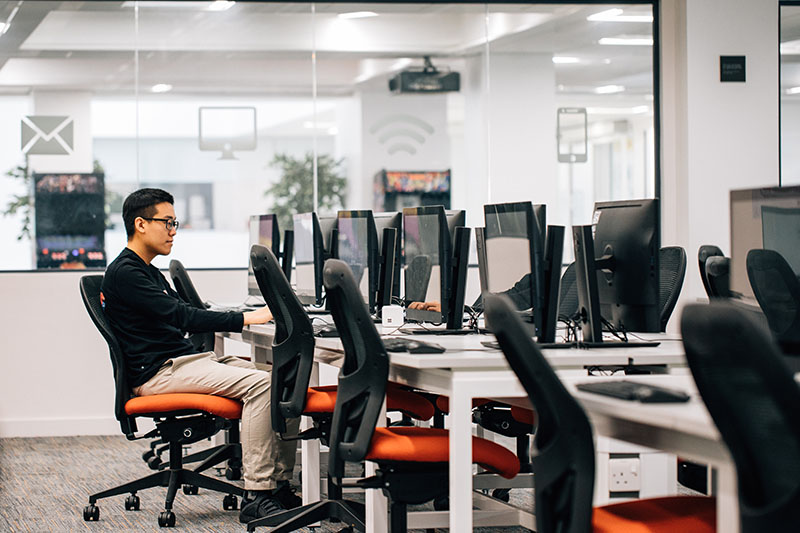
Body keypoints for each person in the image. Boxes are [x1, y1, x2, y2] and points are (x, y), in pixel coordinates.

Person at [101, 188, 300, 523]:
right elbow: (184, 318)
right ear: (140, 224)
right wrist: (245, 318)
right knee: (263, 387)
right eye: (168, 222)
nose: (174, 231)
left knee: (283, 378)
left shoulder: (145, 269)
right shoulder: (126, 273)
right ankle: (257, 493)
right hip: (160, 373)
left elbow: (182, 312)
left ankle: (278, 485)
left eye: (174, 223)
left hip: (182, 362)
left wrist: (235, 315)